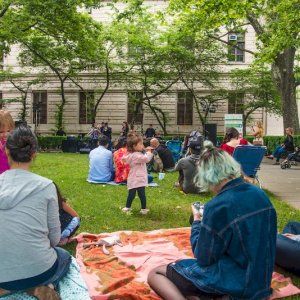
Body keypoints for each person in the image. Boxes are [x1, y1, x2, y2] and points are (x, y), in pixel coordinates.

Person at [148, 143, 277, 300]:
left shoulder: (218, 206)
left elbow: (203, 257)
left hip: (236, 282)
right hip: (260, 280)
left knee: (155, 273)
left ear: (205, 175)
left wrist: (197, 222)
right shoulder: (259, 194)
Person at [0, 126, 71, 298]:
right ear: (34, 154)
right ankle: (39, 287)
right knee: (64, 255)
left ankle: (10, 288)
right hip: (40, 271)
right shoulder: (47, 187)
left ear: (6, 150)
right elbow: (54, 240)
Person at [121, 133, 153, 215]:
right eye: (141, 144)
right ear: (135, 146)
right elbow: (146, 159)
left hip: (133, 177)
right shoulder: (137, 156)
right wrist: (149, 152)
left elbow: (125, 159)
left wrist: (144, 151)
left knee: (131, 194)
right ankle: (143, 209)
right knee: (142, 194)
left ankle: (128, 207)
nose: (143, 145)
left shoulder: (132, 154)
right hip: (139, 178)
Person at [0, 110, 15, 174]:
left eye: (8, 131)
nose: (6, 134)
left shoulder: (13, 142)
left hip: (10, 176)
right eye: (1, 132)